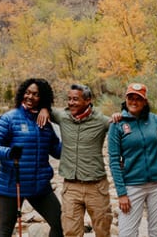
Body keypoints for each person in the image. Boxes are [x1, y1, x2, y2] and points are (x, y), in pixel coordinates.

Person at [0, 78, 64, 237]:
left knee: (60, 223)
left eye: (35, 94)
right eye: (27, 92)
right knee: (6, 229)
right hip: (13, 186)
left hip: (40, 186)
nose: (30, 97)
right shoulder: (9, 118)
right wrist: (9, 152)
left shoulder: (45, 122)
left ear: (42, 98)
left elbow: (57, 151)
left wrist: (71, 136)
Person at [37, 83, 112, 237]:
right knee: (71, 232)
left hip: (96, 186)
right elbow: (40, 102)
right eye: (69, 99)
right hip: (71, 186)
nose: (71, 103)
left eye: (75, 99)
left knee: (103, 231)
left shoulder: (102, 121)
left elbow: (122, 131)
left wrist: (118, 117)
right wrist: (44, 108)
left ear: (88, 100)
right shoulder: (62, 117)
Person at [107, 82, 157, 237]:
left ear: (145, 101)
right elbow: (114, 161)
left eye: (138, 98)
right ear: (126, 99)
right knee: (127, 233)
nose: (134, 102)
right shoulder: (117, 124)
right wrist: (121, 193)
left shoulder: (156, 120)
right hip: (132, 186)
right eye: (131, 98)